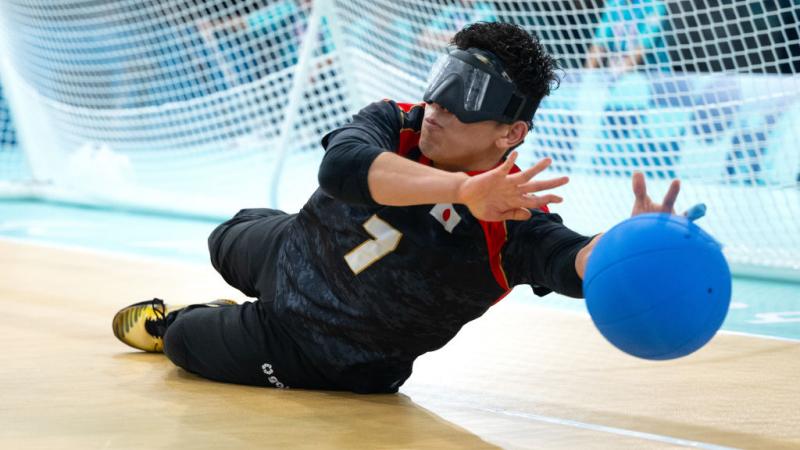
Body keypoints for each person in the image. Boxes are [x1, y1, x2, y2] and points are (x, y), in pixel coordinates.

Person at [112, 22, 681, 394]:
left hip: (325, 353)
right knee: (227, 234)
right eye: (443, 82)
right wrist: (459, 189)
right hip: (294, 252)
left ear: (511, 132)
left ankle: (197, 319)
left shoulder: (510, 225)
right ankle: (244, 293)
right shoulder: (396, 121)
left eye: (467, 98)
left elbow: (573, 263)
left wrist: (633, 249)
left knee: (187, 341)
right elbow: (340, 169)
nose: (438, 105)